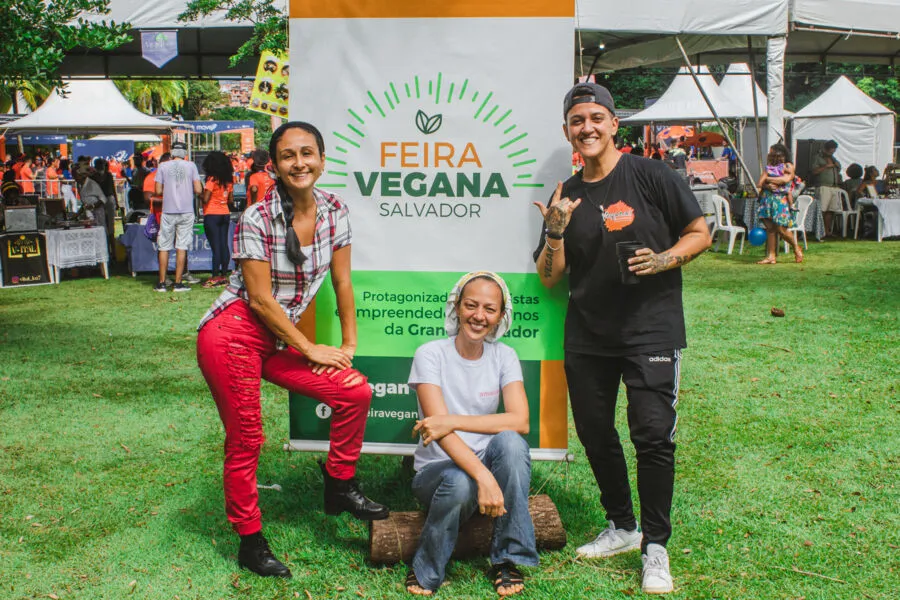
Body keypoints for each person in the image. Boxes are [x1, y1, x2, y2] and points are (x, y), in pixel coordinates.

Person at [532, 82, 711, 595]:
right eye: (576, 120)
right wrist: (557, 232)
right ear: (567, 130)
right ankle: (622, 527)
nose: (586, 127)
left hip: (650, 328)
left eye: (595, 117)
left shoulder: (652, 175)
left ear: (613, 124)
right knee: (594, 432)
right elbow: (549, 276)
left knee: (652, 436)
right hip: (587, 334)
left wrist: (663, 259)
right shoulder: (566, 194)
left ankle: (656, 545)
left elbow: (699, 232)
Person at [196, 121, 388, 579]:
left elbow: (342, 281)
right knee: (247, 438)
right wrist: (310, 347)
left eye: (307, 153)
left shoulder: (335, 210)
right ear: (275, 166)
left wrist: (349, 343)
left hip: (276, 338)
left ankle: (339, 485)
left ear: (321, 158)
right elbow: (260, 299)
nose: (299, 163)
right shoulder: (256, 219)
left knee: (354, 392)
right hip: (235, 333)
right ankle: (250, 540)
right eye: (288, 156)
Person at [405, 272, 537, 597]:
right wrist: (485, 477)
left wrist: (451, 420)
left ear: (501, 316)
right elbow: (440, 433)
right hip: (438, 474)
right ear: (456, 306)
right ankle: (426, 569)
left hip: (484, 467)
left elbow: (520, 421)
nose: (479, 316)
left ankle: (508, 560)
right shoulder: (430, 354)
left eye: (490, 309)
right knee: (459, 481)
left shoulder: (504, 356)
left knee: (511, 442)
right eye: (471, 305)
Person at [154, 143, 201, 292]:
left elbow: (157, 189)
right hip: (186, 210)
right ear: (184, 153)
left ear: (172, 152)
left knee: (164, 246)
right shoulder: (191, 166)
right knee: (182, 246)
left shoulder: (163, 166)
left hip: (168, 210)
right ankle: (178, 282)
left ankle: (162, 283)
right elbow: (198, 189)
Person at [756, 144, 803, 264]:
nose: (771, 155)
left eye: (773, 153)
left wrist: (768, 179)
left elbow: (785, 180)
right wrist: (766, 185)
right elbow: (759, 183)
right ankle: (771, 256)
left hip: (780, 200)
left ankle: (796, 247)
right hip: (767, 199)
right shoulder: (768, 167)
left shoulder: (788, 166)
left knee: (781, 229)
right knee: (770, 229)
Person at [200, 151, 235, 287]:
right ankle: (223, 275)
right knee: (223, 245)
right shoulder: (229, 180)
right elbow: (230, 200)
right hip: (224, 213)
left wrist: (199, 195)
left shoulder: (211, 180)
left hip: (211, 214)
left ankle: (214, 276)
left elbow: (206, 198)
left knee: (215, 247)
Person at [810, 140, 842, 236]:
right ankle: (818, 230)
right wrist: (826, 166)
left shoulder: (834, 159)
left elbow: (839, 168)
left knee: (830, 210)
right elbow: (814, 171)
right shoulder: (818, 158)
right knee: (822, 209)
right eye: (830, 151)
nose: (832, 153)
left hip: (834, 186)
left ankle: (827, 231)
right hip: (824, 186)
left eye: (833, 151)